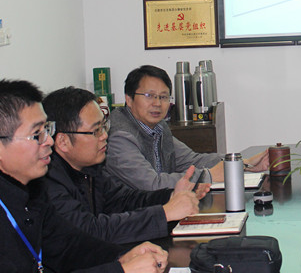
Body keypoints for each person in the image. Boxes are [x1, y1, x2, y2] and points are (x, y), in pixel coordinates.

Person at [0, 80, 167, 273]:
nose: (49, 141)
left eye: (47, 129)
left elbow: (67, 245)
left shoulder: (28, 184)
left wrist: (121, 257)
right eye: (36, 134)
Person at [43, 86, 209, 244]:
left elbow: (126, 200)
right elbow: (91, 231)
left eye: (104, 126)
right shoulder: (48, 182)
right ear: (63, 141)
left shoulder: (90, 169)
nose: (104, 136)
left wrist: (171, 196)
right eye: (96, 131)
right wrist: (165, 213)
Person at [104, 65, 269, 190]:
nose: (157, 103)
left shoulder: (158, 127)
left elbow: (193, 160)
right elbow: (152, 184)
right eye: (149, 96)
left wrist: (243, 163)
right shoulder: (120, 136)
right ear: (129, 99)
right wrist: (209, 176)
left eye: (163, 97)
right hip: (134, 218)